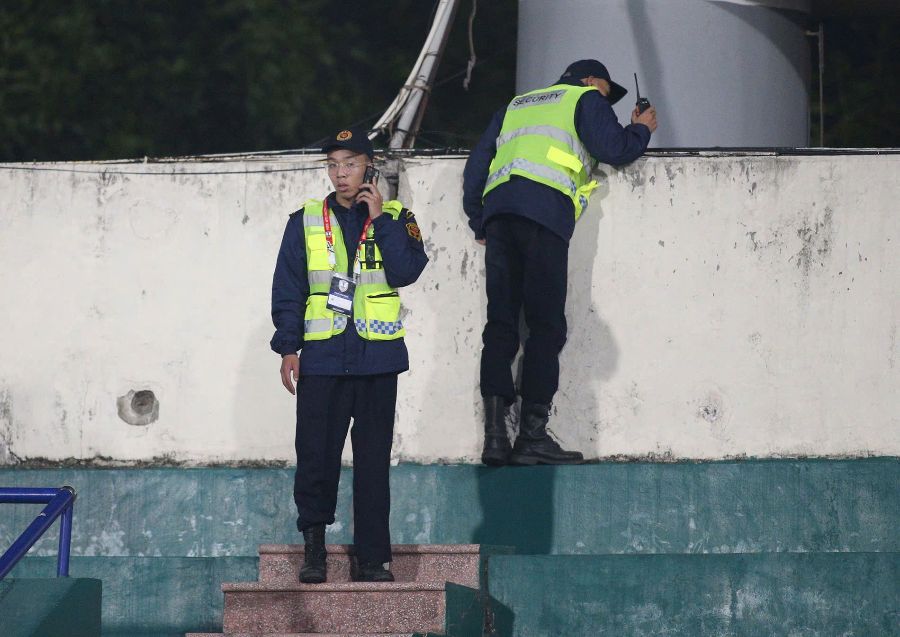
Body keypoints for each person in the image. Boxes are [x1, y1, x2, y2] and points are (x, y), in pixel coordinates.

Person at [463, 59, 658, 467]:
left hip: (500, 216)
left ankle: (495, 437)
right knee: (545, 325)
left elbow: (477, 163)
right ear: (590, 80)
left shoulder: (517, 104)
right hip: (544, 215)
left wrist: (478, 218)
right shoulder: (585, 98)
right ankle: (531, 436)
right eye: (607, 91)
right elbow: (615, 150)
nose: (608, 100)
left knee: (500, 325)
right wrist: (642, 128)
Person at [270, 127, 428, 583]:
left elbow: (406, 271)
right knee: (316, 456)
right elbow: (289, 288)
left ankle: (373, 558)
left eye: (351, 164)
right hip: (321, 357)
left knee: (374, 462)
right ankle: (315, 550)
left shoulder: (398, 217)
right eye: (334, 165)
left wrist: (379, 219)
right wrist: (288, 347)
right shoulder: (303, 220)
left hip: (378, 359)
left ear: (369, 168)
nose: (341, 174)